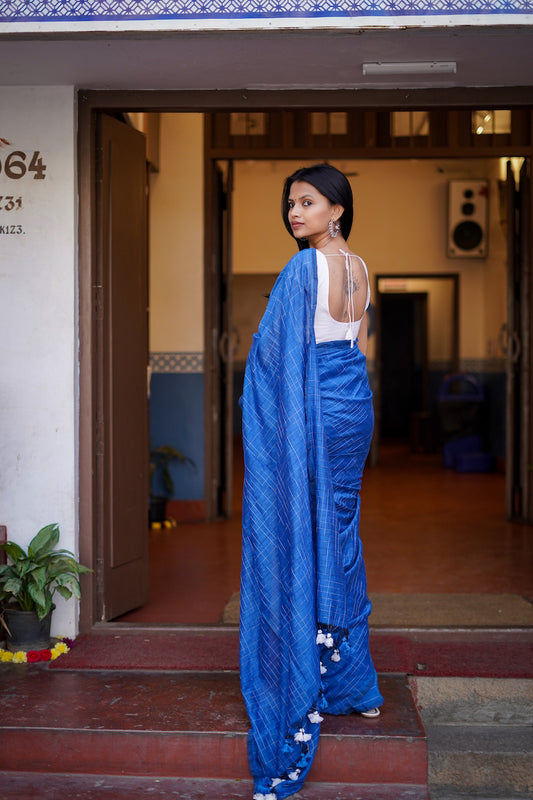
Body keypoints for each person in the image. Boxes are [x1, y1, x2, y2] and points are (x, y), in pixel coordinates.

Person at [239, 163, 383, 800]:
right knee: (340, 533)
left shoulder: (303, 269)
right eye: (290, 203)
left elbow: (273, 357)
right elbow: (350, 342)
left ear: (337, 210)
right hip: (354, 405)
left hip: (317, 411)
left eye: (307, 202)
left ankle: (303, 674)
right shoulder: (361, 268)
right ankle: (353, 684)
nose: (295, 213)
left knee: (303, 534)